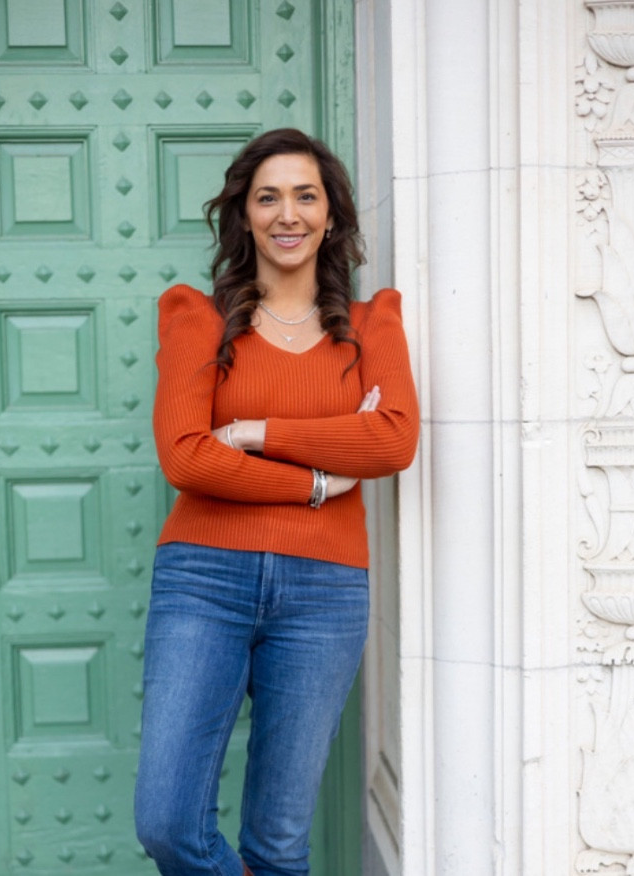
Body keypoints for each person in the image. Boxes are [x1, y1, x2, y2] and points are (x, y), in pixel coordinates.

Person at [134, 128, 419, 876]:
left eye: (305, 195)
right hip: (204, 579)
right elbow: (186, 457)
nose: (286, 213)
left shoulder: (370, 326)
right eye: (268, 197)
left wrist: (256, 432)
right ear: (245, 215)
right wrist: (319, 479)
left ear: (330, 215)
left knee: (279, 843)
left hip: (325, 591)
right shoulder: (196, 316)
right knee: (166, 822)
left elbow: (391, 443)